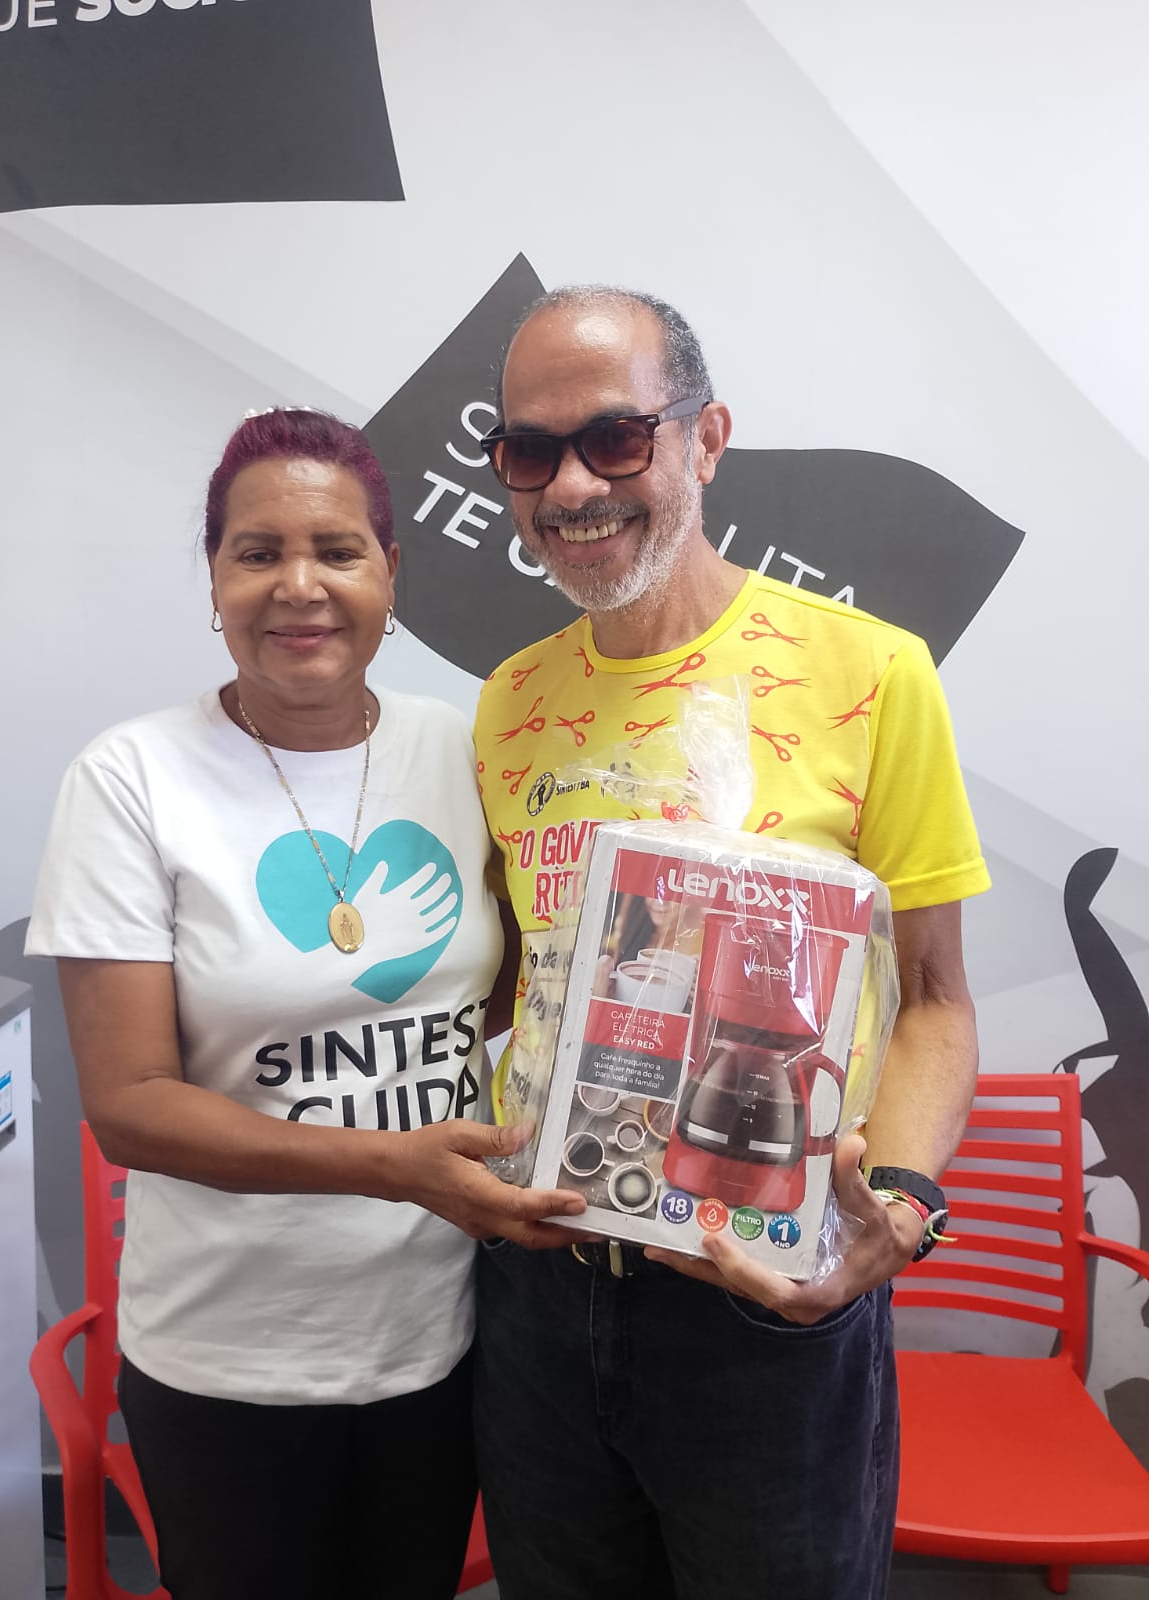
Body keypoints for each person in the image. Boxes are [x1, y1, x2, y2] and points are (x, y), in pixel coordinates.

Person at [471, 288, 991, 1600]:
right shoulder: (510, 703)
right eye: (530, 451)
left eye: (616, 438)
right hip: (539, 1293)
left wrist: (901, 1214)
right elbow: (518, 989)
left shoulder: (873, 674)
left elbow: (936, 1001)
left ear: (706, 440)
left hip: (765, 1297)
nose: (572, 486)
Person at [25, 408, 583, 1600]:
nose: (299, 586)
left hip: (437, 1337)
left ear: (391, 572)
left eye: (336, 549)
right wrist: (395, 1164)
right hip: (231, 1362)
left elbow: (493, 988)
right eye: (257, 552)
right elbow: (129, 1105)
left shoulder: (459, 747)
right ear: (214, 579)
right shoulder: (131, 779)